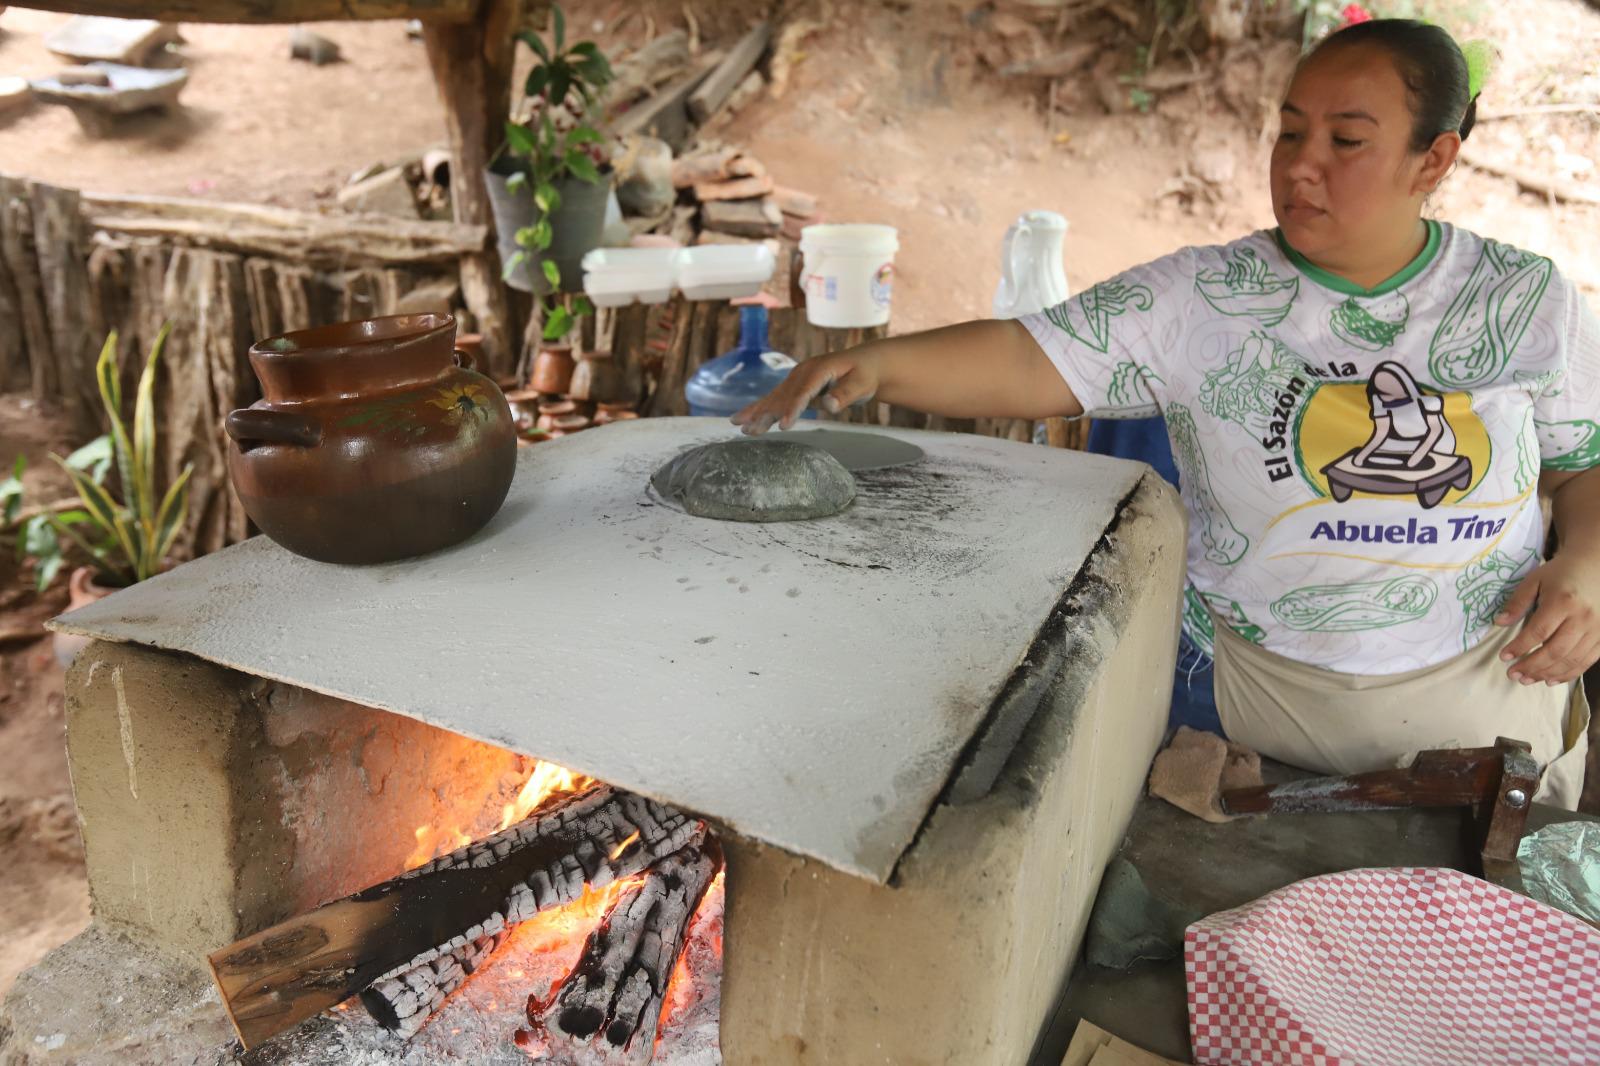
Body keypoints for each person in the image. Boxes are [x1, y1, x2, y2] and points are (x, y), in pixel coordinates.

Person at [733, 19, 1600, 808]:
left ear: (1434, 161)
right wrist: (873, 362)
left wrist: (1590, 565)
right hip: (1258, 709)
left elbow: (1582, 464)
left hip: (1490, 708)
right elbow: (1029, 355)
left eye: (1346, 141)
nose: (1301, 164)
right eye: (1291, 131)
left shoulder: (1524, 301)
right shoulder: (1206, 296)